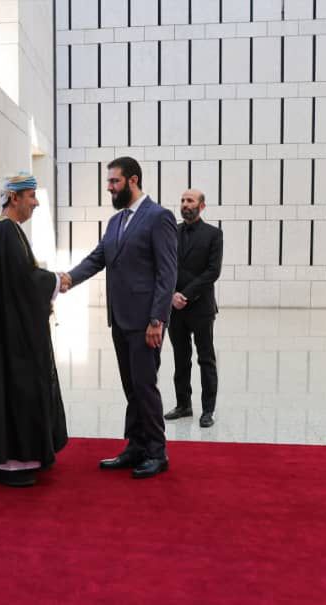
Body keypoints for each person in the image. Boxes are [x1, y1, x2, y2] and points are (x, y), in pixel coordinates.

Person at [60, 156, 178, 479]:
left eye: (114, 181)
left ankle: (157, 452)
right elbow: (98, 258)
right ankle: (136, 446)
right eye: (108, 182)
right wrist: (67, 279)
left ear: (133, 180)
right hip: (120, 319)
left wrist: (157, 320)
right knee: (131, 387)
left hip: (146, 323)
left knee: (145, 386)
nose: (109, 188)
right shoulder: (115, 222)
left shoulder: (159, 217)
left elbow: (167, 273)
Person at [0, 173, 68, 487]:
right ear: (14, 198)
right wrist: (56, 280)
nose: (35, 203)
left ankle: (16, 459)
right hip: (10, 336)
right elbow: (24, 281)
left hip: (10, 329)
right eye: (31, 196)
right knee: (19, 388)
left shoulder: (9, 230)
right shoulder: (5, 230)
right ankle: (13, 463)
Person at [163, 189, 223, 428]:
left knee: (206, 359)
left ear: (202, 206)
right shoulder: (171, 232)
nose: (185, 204)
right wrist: (171, 296)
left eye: (190, 200)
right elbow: (164, 267)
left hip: (201, 307)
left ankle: (208, 410)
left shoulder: (214, 234)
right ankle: (183, 405)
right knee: (180, 358)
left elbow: (213, 271)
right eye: (182, 200)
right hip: (174, 307)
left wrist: (185, 294)